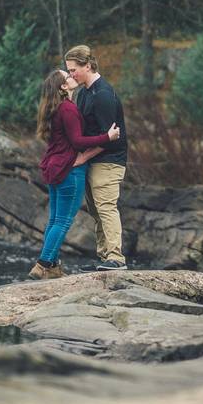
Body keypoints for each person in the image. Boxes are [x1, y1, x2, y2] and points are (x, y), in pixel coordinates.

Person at [30, 70, 119, 280]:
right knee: (63, 220)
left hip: (54, 167)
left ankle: (51, 265)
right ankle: (42, 264)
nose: (71, 76)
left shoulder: (52, 108)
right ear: (63, 86)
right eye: (67, 76)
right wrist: (106, 136)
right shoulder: (68, 109)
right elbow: (78, 141)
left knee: (54, 219)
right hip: (70, 169)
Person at [64, 44, 129, 271]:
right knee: (95, 210)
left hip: (110, 161)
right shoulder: (84, 93)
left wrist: (82, 159)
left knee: (106, 207)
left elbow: (110, 138)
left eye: (74, 70)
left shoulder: (103, 95)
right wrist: (70, 91)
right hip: (94, 160)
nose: (71, 74)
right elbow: (78, 127)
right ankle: (104, 258)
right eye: (69, 71)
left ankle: (116, 258)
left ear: (88, 66)